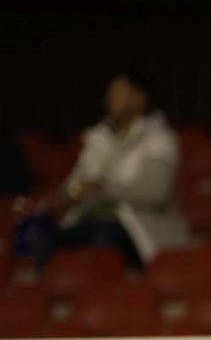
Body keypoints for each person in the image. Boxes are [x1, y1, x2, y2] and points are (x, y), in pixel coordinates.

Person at [45, 70, 188, 269]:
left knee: (103, 237)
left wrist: (103, 189)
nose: (108, 100)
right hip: (90, 221)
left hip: (137, 229)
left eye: (117, 94)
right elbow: (67, 192)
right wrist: (75, 191)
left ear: (139, 98)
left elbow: (155, 192)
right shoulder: (98, 140)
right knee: (48, 242)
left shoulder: (160, 139)